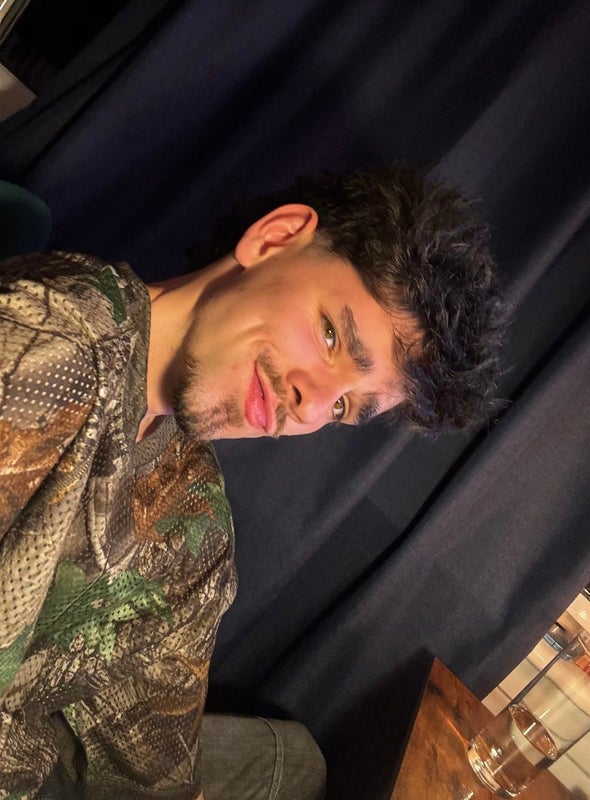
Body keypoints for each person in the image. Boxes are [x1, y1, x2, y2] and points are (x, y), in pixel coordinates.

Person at [0, 164, 505, 799]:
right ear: (273, 239)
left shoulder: (197, 527)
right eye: (330, 335)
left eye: (345, 407)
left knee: (297, 762)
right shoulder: (51, 350)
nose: (313, 405)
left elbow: (154, 771)